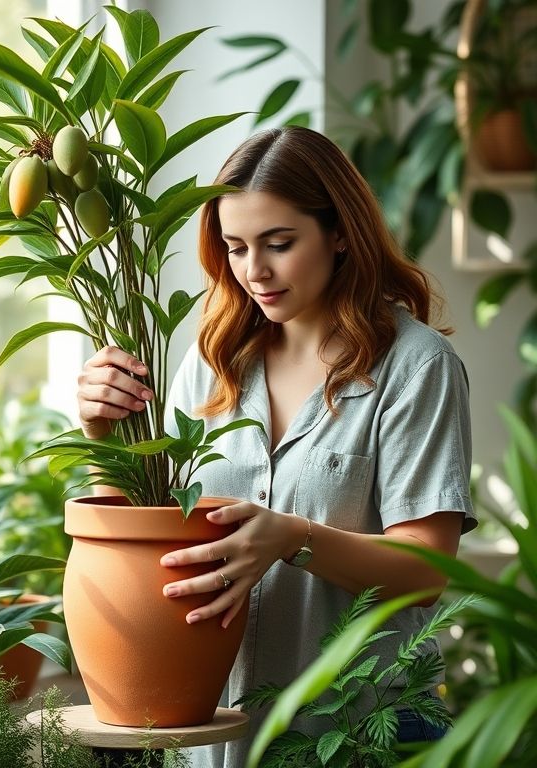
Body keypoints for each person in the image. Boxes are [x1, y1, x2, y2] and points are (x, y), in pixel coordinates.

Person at [76, 125, 476, 767]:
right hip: (213, 738)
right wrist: (102, 435)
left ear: (340, 231)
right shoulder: (214, 361)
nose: (254, 271)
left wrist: (292, 538)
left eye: (279, 244)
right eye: (235, 248)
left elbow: (429, 570)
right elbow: (141, 539)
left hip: (360, 734)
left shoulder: (417, 367)